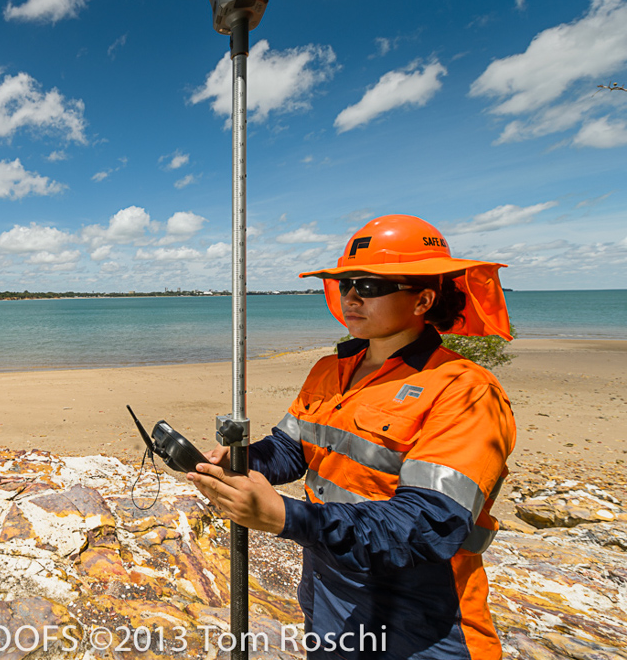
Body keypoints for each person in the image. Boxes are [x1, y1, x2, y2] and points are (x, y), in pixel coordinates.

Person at [189, 214, 515, 660]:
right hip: (327, 584)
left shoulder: (464, 389)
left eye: (370, 285)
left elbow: (428, 524)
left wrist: (286, 516)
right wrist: (241, 460)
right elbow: (291, 449)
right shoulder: (330, 369)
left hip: (421, 614)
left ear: (423, 299)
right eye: (346, 284)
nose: (352, 297)